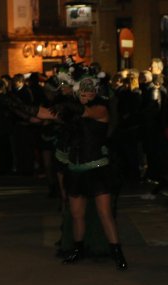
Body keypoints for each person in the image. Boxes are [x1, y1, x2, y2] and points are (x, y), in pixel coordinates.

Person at [55, 78, 128, 270]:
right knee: (77, 214)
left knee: (105, 213)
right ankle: (78, 250)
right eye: (83, 92)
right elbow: (41, 116)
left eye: (90, 92)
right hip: (76, 171)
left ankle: (117, 253)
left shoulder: (101, 110)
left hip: (97, 170)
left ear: (95, 93)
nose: (86, 95)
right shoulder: (72, 112)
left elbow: (85, 112)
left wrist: (67, 103)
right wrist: (18, 106)